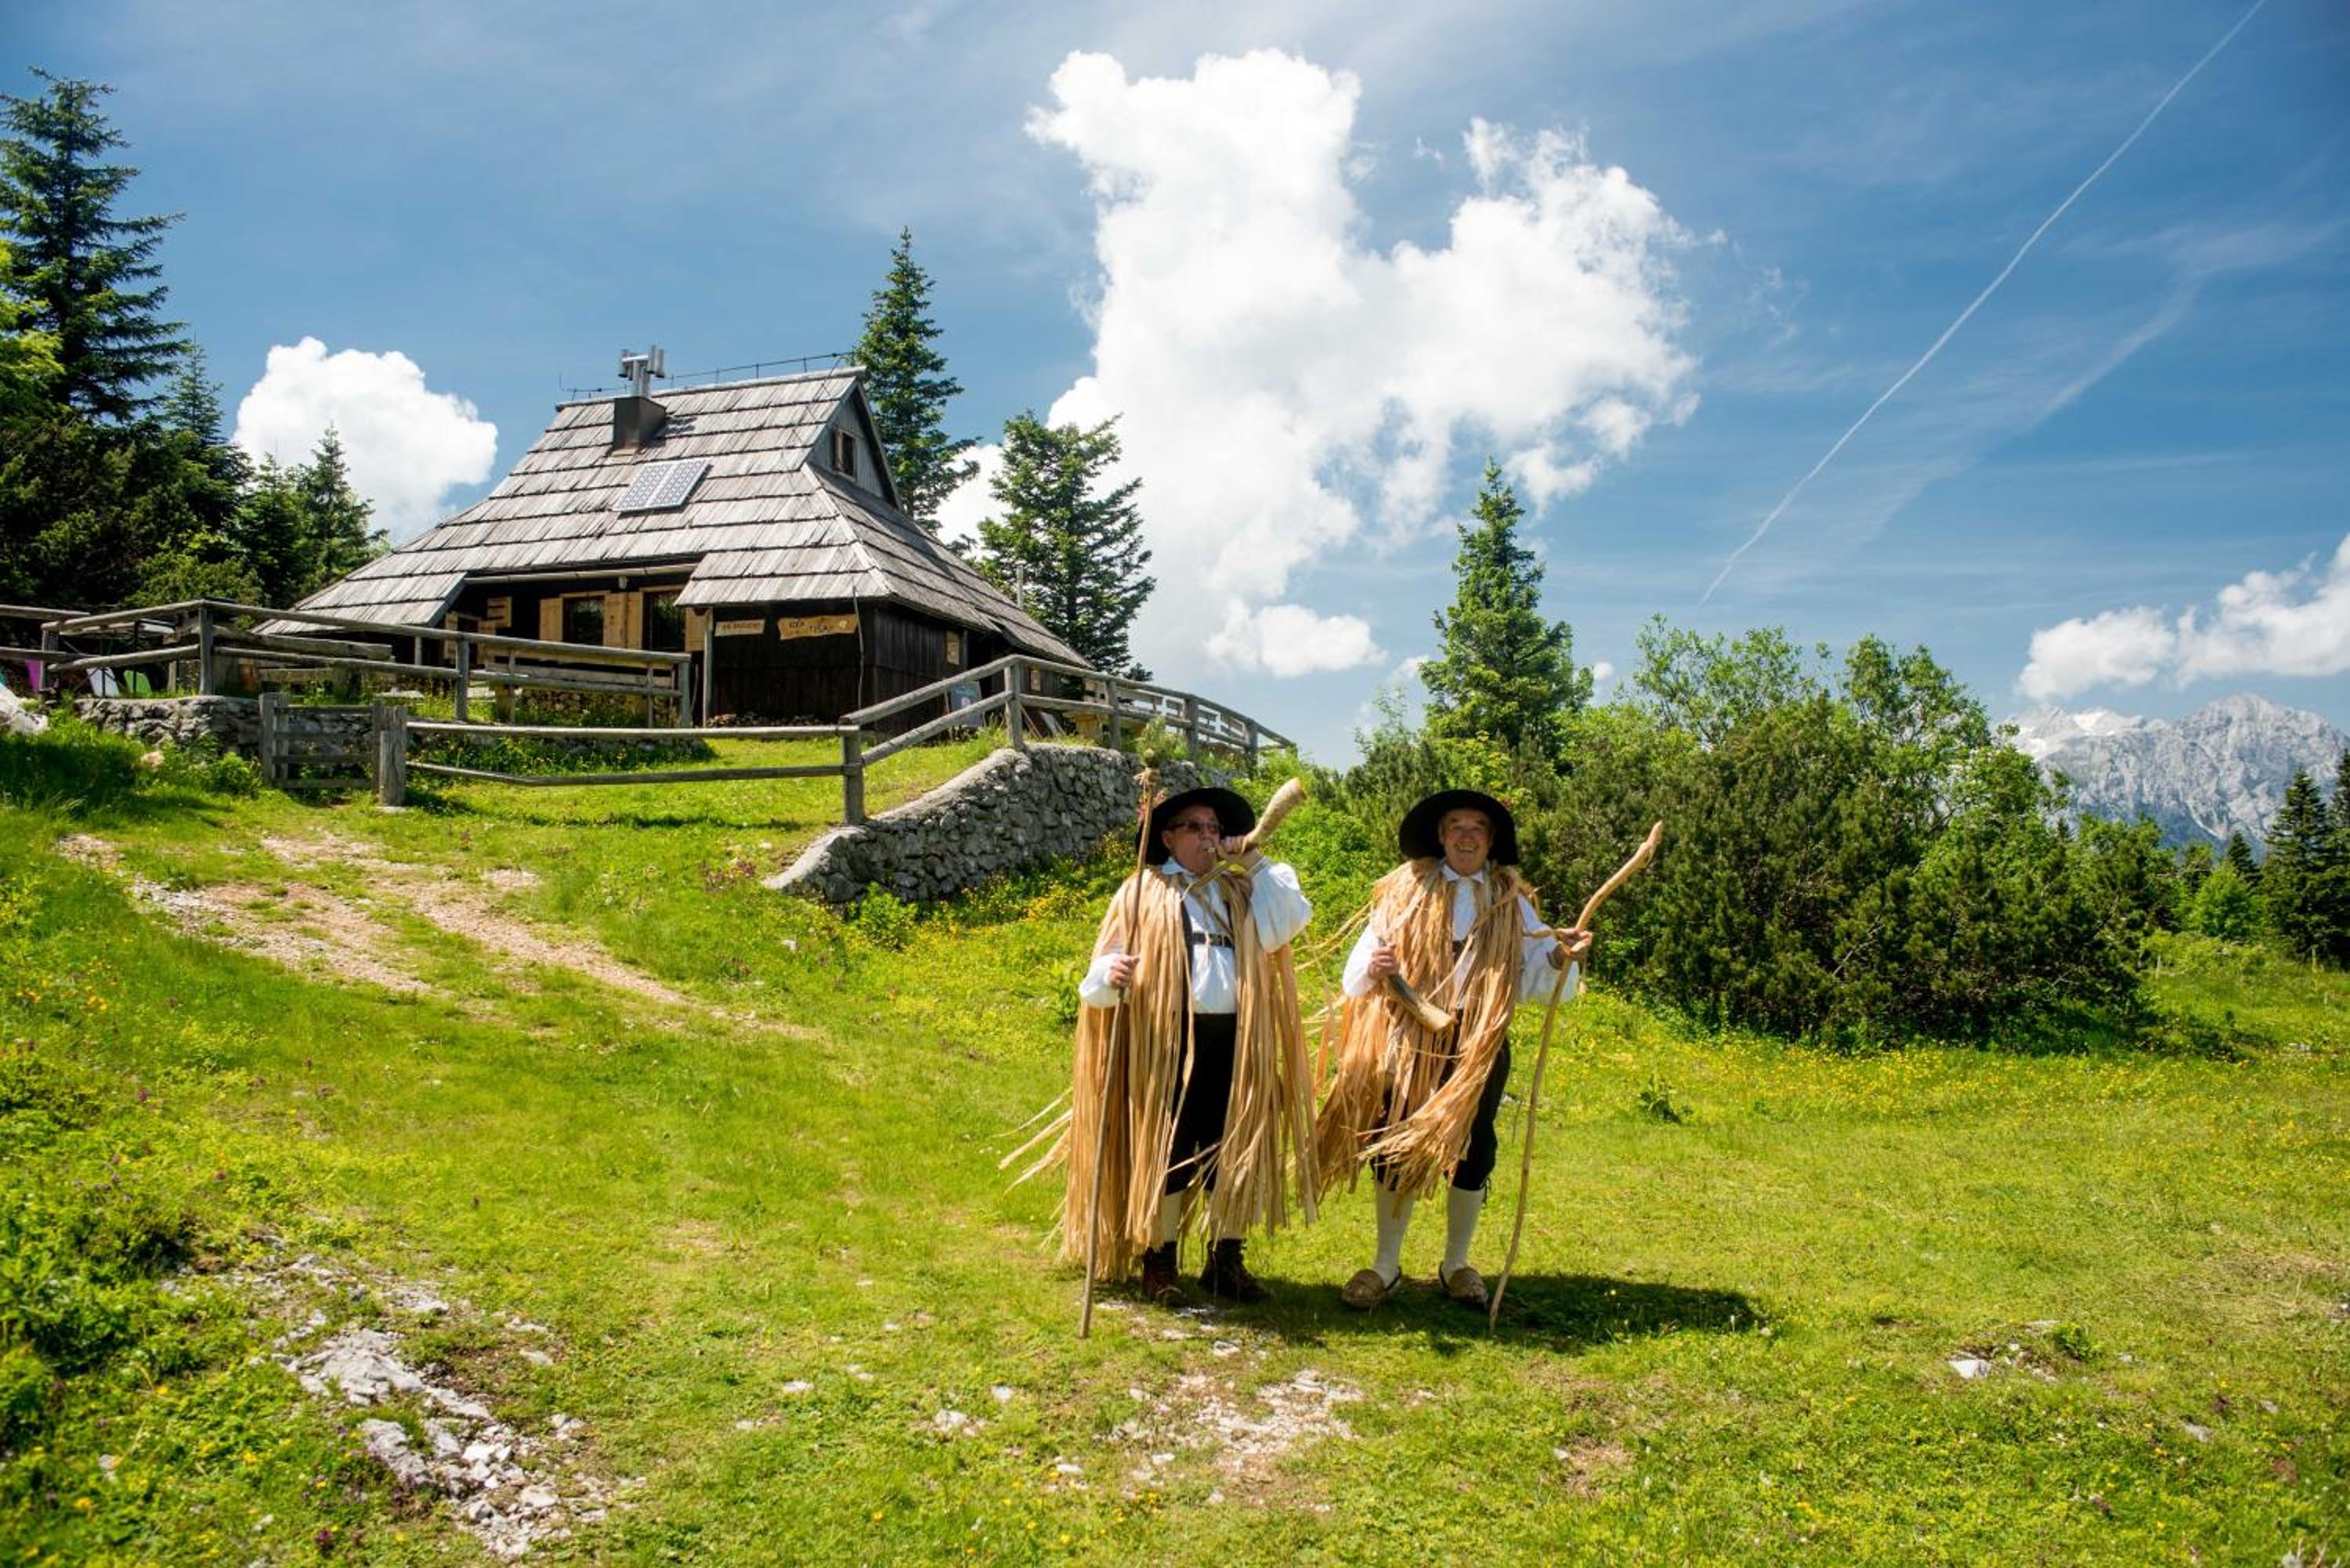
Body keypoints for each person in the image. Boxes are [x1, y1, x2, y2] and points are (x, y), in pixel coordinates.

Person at [1314, 789, 1590, 1310]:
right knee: (1396, 1143)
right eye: (1455, 825)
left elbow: (1533, 982)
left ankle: (1456, 1264)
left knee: (1475, 1150)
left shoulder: (1514, 900)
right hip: (1411, 1040)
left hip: (1479, 1043)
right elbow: (1358, 972)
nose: (1466, 835)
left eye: (1477, 827)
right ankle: (1385, 1267)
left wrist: (1559, 957)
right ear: (1441, 837)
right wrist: (1376, 970)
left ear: (1491, 839)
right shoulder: (1405, 891)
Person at [1063, 786, 1315, 1304]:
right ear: (1168, 837)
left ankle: (1225, 1261)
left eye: (1215, 828)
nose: (1208, 837)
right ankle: (1160, 1260)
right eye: (1195, 827)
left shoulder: (1240, 893)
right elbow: (1095, 981)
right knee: (1169, 1151)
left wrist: (1256, 858)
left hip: (1236, 1041)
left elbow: (1292, 916)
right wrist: (1111, 973)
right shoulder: (1140, 894)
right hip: (1167, 1041)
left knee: (1232, 1148)